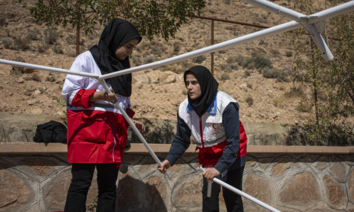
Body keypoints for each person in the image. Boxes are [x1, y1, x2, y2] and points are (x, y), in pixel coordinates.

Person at [62, 18, 145, 212]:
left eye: (133, 48)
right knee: (80, 184)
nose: (130, 52)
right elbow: (69, 95)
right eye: (128, 46)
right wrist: (100, 96)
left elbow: (121, 105)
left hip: (113, 136)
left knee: (108, 189)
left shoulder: (125, 68)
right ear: (115, 40)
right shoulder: (86, 60)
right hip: (87, 133)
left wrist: (129, 120)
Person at [158, 65, 247, 212]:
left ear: (204, 83)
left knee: (232, 194)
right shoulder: (184, 109)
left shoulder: (226, 105)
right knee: (209, 194)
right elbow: (182, 138)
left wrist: (219, 168)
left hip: (232, 150)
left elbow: (233, 142)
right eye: (187, 83)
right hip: (209, 154)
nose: (189, 87)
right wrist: (169, 159)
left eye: (194, 83)